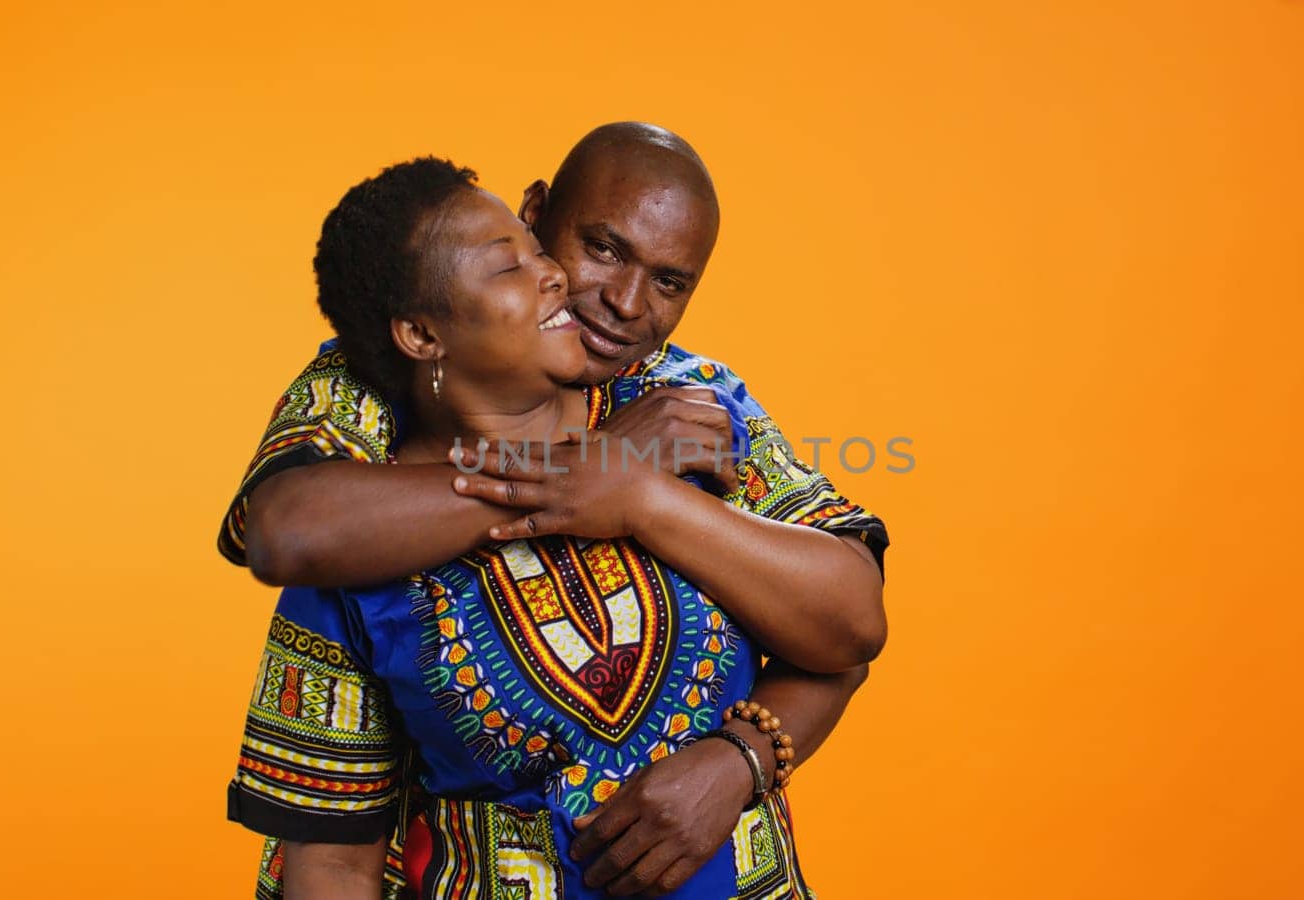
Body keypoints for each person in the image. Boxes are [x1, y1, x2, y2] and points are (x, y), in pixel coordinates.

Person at [224, 127, 889, 897]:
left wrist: (738, 758)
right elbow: (289, 531)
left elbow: (846, 628)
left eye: (670, 282)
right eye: (602, 248)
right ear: (537, 214)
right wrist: (594, 467)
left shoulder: (693, 405)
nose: (625, 303)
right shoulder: (367, 408)